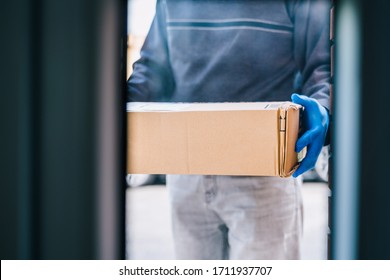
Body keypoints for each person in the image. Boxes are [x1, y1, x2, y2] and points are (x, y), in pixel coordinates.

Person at [127, 0, 330, 259]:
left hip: (265, 173)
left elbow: (321, 68)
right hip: (187, 171)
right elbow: (151, 70)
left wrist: (323, 106)